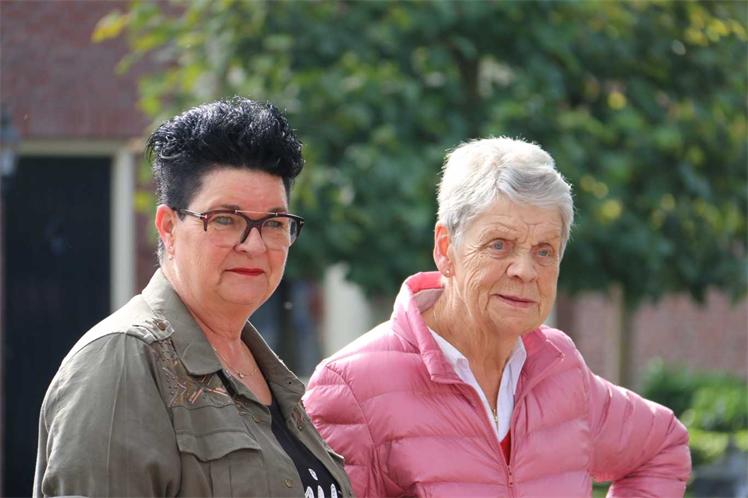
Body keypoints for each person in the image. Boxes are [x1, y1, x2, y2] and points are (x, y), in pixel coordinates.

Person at [303, 137, 691, 497]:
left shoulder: (560, 368)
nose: (525, 270)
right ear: (445, 249)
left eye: (544, 251)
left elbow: (662, 447)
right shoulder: (350, 388)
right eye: (499, 245)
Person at [34, 97, 353, 498]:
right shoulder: (124, 360)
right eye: (225, 219)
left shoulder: (270, 374)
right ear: (168, 227)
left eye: (274, 223)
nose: (254, 245)